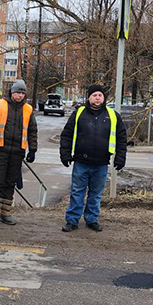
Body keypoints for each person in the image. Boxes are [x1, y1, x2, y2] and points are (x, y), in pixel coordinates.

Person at [59, 84, 127, 232]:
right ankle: (72, 221)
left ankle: (91, 219)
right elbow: (67, 135)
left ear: (104, 98)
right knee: (77, 192)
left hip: (101, 163)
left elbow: (122, 139)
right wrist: (65, 154)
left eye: (100, 95)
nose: (97, 98)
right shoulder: (79, 113)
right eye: (94, 95)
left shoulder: (113, 115)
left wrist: (120, 158)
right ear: (89, 97)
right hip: (81, 162)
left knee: (96, 194)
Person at [0, 79, 37, 226]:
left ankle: (5, 212)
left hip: (17, 152)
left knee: (10, 182)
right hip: (0, 150)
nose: (20, 95)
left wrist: (33, 149)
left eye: (22, 93)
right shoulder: (0, 105)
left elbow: (32, 130)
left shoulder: (28, 109)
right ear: (12, 92)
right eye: (18, 92)